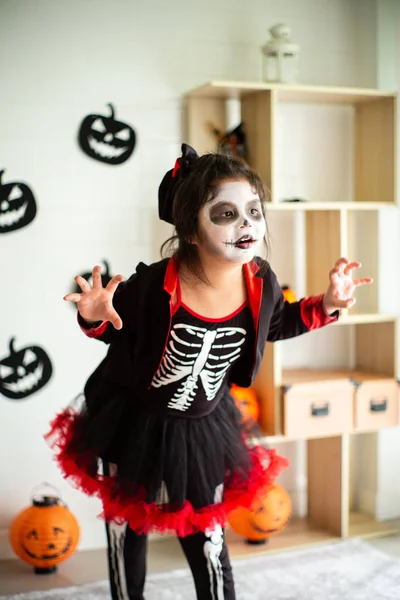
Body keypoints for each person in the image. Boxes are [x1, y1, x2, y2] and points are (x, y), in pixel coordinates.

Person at [45, 144, 372, 600]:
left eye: (253, 211)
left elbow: (278, 323)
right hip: (132, 420)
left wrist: (330, 305)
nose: (246, 225)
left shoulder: (260, 281)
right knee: (127, 528)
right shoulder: (153, 286)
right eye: (225, 214)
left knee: (208, 538)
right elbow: (112, 333)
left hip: (203, 428)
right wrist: (93, 316)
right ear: (192, 231)